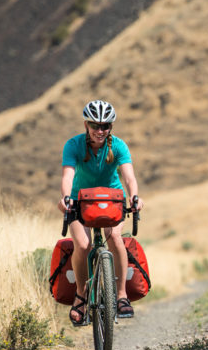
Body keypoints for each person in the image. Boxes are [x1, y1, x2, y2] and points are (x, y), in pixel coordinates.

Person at [57, 100, 144, 326]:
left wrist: (134, 197)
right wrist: (66, 198)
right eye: (95, 125)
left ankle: (122, 295)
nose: (100, 131)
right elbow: (68, 175)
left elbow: (129, 177)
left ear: (111, 127)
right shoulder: (73, 145)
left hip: (111, 199)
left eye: (105, 126)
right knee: (84, 245)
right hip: (80, 201)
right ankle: (81, 295)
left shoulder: (118, 146)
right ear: (86, 124)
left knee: (115, 237)